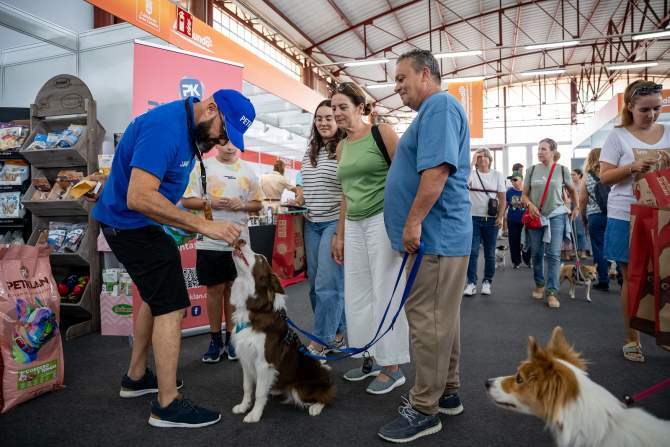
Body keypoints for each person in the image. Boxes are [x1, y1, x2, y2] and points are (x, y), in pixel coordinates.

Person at [93, 90, 254, 427]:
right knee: (172, 305)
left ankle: (137, 376)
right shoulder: (165, 127)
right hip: (129, 224)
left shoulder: (187, 131)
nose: (220, 142)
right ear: (210, 108)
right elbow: (139, 196)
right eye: (223, 133)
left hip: (139, 224)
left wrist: (182, 223)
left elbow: (160, 191)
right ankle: (167, 404)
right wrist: (202, 225)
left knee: (158, 298)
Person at [378, 49, 472, 442]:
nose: (397, 87)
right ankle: (446, 391)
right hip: (440, 237)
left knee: (428, 322)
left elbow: (436, 172)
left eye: (402, 78)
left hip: (435, 236)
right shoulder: (434, 111)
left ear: (426, 75)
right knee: (441, 319)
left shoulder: (439, 107)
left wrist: (413, 221)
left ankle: (423, 409)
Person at [331, 81, 410, 395]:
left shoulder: (382, 133)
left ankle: (393, 367)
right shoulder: (341, 147)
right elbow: (345, 194)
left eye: (343, 107)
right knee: (357, 293)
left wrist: (406, 223)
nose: (337, 113)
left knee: (386, 289)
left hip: (381, 219)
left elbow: (405, 176)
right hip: (353, 224)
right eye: (333, 107)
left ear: (360, 108)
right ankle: (369, 357)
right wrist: (339, 235)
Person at [599, 80, 668, 363]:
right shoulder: (617, 136)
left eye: (657, 108)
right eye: (644, 110)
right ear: (630, 107)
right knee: (632, 278)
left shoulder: (667, 132)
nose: (651, 115)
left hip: (663, 213)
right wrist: (632, 167)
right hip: (624, 214)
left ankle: (666, 333)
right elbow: (604, 177)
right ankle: (632, 339)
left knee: (666, 277)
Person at [181, 141, 262, 363]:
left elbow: (258, 204)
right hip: (210, 239)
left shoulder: (247, 170)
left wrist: (242, 205)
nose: (229, 147)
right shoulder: (202, 167)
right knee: (214, 289)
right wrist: (211, 202)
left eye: (233, 142)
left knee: (234, 289)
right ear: (217, 143)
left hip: (239, 242)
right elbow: (187, 201)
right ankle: (215, 339)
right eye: (225, 142)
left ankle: (232, 338)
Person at [297, 99, 347, 356]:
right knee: (315, 284)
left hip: (334, 222)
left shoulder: (344, 149)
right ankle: (338, 333)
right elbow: (308, 187)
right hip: (311, 223)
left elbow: (347, 191)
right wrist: (300, 197)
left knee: (328, 283)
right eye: (319, 118)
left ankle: (321, 340)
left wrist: (340, 232)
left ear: (337, 121)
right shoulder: (309, 152)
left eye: (329, 117)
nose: (324, 122)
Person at [521, 139, 578, 309]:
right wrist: (529, 205)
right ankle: (539, 284)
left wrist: (576, 207)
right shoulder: (531, 170)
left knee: (553, 254)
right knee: (537, 253)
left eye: (544, 149)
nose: (540, 152)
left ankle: (552, 292)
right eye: (539, 149)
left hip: (556, 215)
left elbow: (572, 190)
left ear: (553, 151)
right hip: (536, 216)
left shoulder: (562, 170)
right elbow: (524, 195)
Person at [463, 148, 505, 296]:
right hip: (473, 218)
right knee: (472, 251)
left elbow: (502, 198)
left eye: (485, 156)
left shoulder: (497, 175)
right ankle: (471, 283)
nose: (482, 159)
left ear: (490, 159)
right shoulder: (472, 174)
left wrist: (500, 217)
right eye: (479, 157)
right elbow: (463, 183)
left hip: (491, 220)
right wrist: (471, 162)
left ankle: (487, 281)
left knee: (490, 253)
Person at [579, 148, 609, 290]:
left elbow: (582, 200)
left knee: (598, 248)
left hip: (595, 216)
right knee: (616, 247)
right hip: (613, 214)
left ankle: (603, 280)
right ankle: (623, 278)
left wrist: (583, 219)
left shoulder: (587, 176)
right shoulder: (611, 173)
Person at [506, 170, 531, 268]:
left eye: (515, 179)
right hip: (512, 220)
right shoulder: (509, 192)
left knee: (527, 241)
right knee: (514, 241)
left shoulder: (528, 191)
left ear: (521, 180)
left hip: (526, 221)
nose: (513, 181)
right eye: (511, 180)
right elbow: (505, 204)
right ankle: (516, 261)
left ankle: (528, 260)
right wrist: (500, 216)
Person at [571, 168, 588, 258]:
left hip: (581, 210)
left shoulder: (583, 184)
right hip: (572, 209)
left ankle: (583, 251)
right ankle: (576, 250)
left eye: (573, 174)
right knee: (573, 231)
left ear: (579, 175)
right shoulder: (571, 185)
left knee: (581, 231)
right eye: (571, 175)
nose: (572, 176)